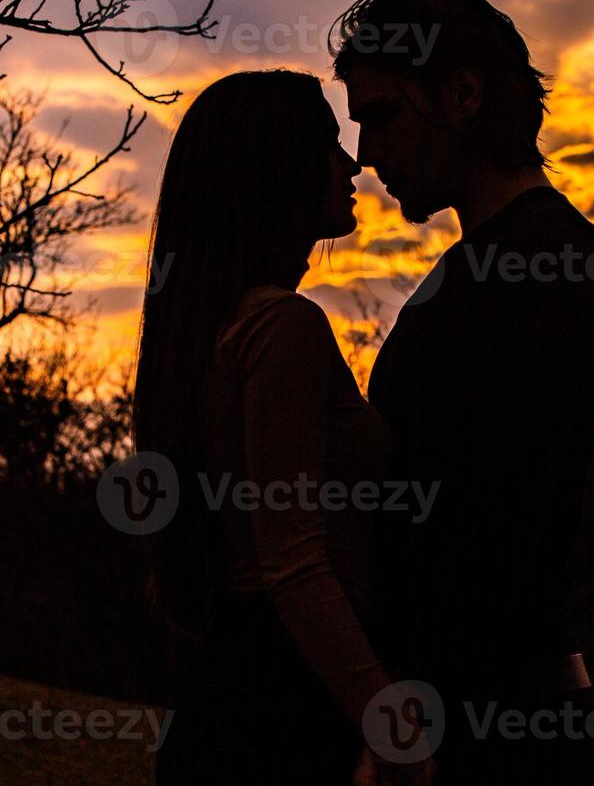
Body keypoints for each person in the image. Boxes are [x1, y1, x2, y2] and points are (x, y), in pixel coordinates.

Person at [332, 0, 594, 785]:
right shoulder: (498, 265)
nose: (365, 154)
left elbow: (478, 532)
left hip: (490, 730)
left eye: (383, 116)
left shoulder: (543, 268)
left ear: (461, 93)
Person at [136, 70, 431, 784]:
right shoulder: (283, 327)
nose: (352, 162)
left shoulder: (213, 330)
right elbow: (294, 561)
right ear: (278, 168)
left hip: (239, 685)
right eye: (328, 143)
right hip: (279, 698)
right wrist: (387, 720)